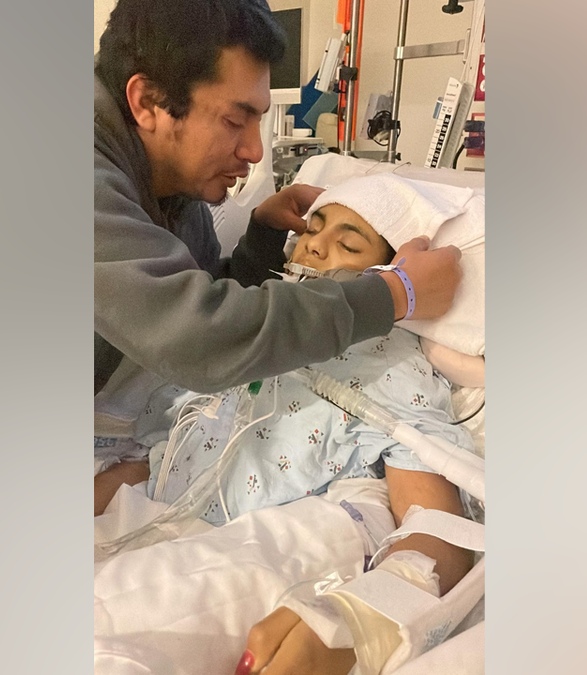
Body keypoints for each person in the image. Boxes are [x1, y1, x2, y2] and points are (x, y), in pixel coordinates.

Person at [97, 191, 479, 675]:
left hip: (240, 559)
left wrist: (362, 619)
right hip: (145, 525)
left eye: (349, 244)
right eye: (311, 231)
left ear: (389, 272)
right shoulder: (251, 333)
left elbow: (436, 526)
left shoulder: (387, 364)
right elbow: (155, 458)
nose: (313, 246)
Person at [93, 0, 463, 412]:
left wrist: (264, 236)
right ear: (148, 102)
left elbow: (204, 299)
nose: (255, 151)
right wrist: (395, 293)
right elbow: (198, 336)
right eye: (235, 121)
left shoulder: (173, 184)